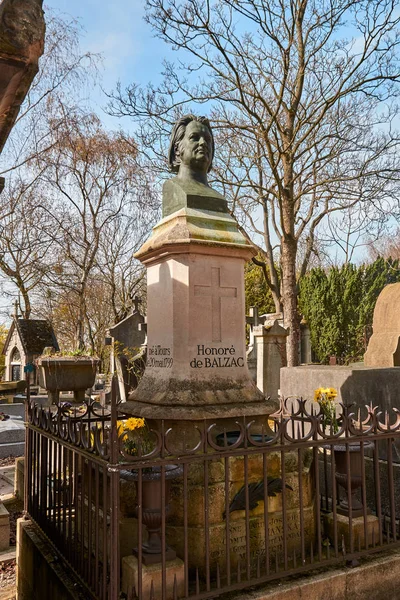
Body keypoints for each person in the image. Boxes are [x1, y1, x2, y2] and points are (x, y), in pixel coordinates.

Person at [168, 114, 214, 186]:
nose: (203, 142)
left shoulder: (217, 195)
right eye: (194, 137)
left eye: (208, 140)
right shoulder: (174, 187)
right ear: (177, 149)